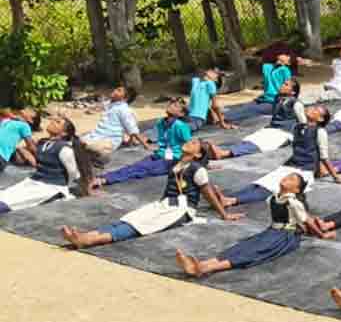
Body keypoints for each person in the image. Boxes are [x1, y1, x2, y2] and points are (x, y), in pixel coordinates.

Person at [61, 139, 242, 248]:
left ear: (197, 155)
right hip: (165, 204)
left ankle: (90, 240)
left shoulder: (197, 170)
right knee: (131, 218)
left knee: (141, 226)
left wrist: (224, 215)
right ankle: (89, 234)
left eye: (195, 143)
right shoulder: (177, 164)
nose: (190, 141)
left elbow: (208, 192)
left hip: (180, 210)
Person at [176, 174, 325, 277]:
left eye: (292, 179)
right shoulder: (273, 197)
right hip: (271, 231)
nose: (287, 178)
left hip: (284, 236)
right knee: (241, 247)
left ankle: (204, 268)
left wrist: (321, 234)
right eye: (287, 176)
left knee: (252, 252)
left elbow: (307, 221)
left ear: (297, 190)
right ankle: (201, 264)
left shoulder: (294, 202)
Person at [222, 106, 341, 205]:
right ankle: (228, 196)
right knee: (261, 183)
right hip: (290, 165)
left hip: (303, 170)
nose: (311, 109)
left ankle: (233, 200)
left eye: (316, 110)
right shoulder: (298, 127)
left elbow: (324, 156)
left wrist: (335, 176)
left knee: (272, 188)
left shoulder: (320, 132)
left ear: (320, 119)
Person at [99, 99, 193, 186]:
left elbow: (191, 146)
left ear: (181, 114)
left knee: (140, 169)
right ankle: (104, 177)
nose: (171, 105)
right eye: (171, 103)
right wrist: (150, 145)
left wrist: (182, 165)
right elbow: (161, 140)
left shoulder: (181, 126)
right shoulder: (161, 122)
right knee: (135, 166)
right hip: (159, 155)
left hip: (172, 160)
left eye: (176, 106)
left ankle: (106, 179)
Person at [0, 116, 82, 214]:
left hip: (50, 187)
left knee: (14, 201)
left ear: (64, 133)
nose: (52, 122)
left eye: (58, 122)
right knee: (6, 194)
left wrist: (62, 186)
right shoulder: (44, 144)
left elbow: (73, 172)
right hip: (34, 181)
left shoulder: (64, 149)